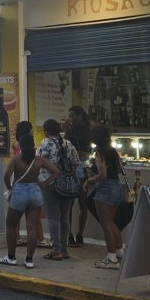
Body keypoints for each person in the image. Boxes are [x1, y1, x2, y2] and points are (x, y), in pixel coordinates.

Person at [0, 133, 60, 269]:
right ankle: (29, 260)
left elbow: (6, 176)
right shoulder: (39, 160)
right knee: (32, 227)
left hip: (19, 193)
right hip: (35, 192)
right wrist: (44, 183)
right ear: (33, 145)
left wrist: (10, 187)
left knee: (11, 225)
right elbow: (56, 172)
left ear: (20, 146)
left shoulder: (16, 159)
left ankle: (11, 257)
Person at [37, 118, 80, 261]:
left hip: (49, 183)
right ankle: (65, 249)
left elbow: (38, 161)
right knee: (64, 217)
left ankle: (56, 250)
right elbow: (76, 163)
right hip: (66, 185)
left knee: (53, 217)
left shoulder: (45, 143)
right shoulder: (68, 144)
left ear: (46, 131)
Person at [85, 124, 125, 269]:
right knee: (112, 222)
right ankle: (119, 251)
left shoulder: (99, 153)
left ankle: (111, 257)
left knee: (106, 224)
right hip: (117, 188)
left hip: (105, 189)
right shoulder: (113, 151)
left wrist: (89, 180)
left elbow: (102, 175)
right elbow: (120, 169)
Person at [64, 106, 93, 247]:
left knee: (76, 203)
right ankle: (75, 235)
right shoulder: (83, 129)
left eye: (72, 115)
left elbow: (66, 146)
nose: (69, 118)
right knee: (79, 203)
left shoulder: (86, 129)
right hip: (79, 166)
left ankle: (75, 235)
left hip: (77, 167)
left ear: (79, 115)